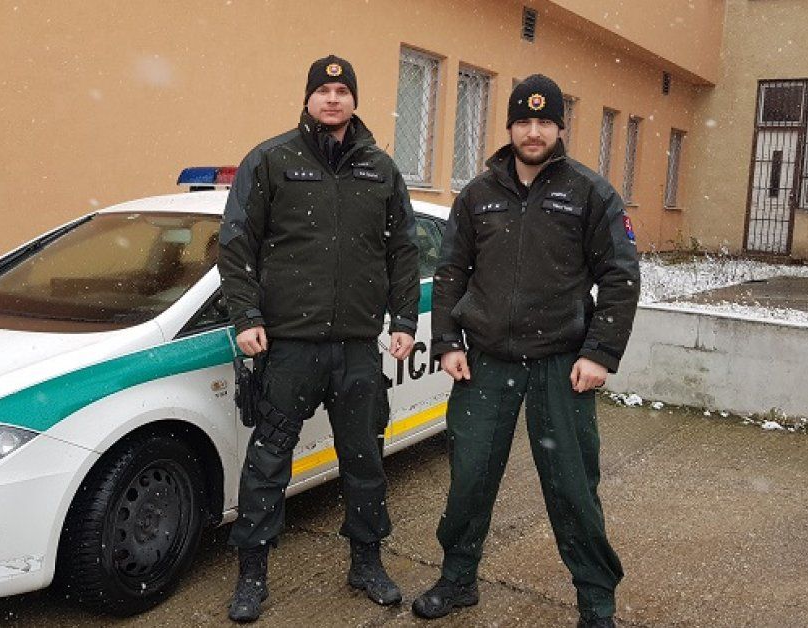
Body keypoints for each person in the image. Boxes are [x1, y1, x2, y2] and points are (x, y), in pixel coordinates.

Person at [411, 74, 640, 628]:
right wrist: (447, 341)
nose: (533, 132)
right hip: (486, 364)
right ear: (510, 126)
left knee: (572, 488)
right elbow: (451, 272)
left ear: (559, 127)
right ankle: (458, 579)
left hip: (561, 366)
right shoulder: (478, 195)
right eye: (523, 121)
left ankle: (596, 603)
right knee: (470, 478)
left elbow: (620, 276)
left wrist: (599, 353)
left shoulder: (589, 193)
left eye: (544, 121)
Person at [217, 54, 421, 623]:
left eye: (342, 90)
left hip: (357, 347)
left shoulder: (381, 169)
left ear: (354, 100)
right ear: (308, 98)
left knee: (365, 460)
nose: (333, 99)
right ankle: (252, 573)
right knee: (268, 463)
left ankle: (367, 563)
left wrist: (404, 320)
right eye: (323, 90)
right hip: (289, 347)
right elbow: (236, 244)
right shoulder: (271, 160)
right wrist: (246, 316)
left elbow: (404, 250)